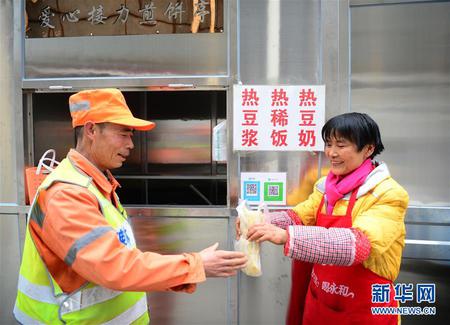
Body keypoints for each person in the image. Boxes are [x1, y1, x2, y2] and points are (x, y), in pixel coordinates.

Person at [14, 88, 247, 324]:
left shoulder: (97, 184)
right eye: (124, 134)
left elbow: (121, 262)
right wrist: (195, 264)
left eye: (131, 135)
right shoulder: (67, 195)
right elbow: (113, 267)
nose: (131, 145)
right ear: (91, 129)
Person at [239, 112, 409, 324]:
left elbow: (358, 244)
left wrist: (288, 237)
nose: (331, 153)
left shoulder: (388, 193)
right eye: (328, 144)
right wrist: (261, 221)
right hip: (321, 303)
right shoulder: (326, 186)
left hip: (363, 310)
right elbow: (300, 216)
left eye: (341, 145)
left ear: (368, 148)